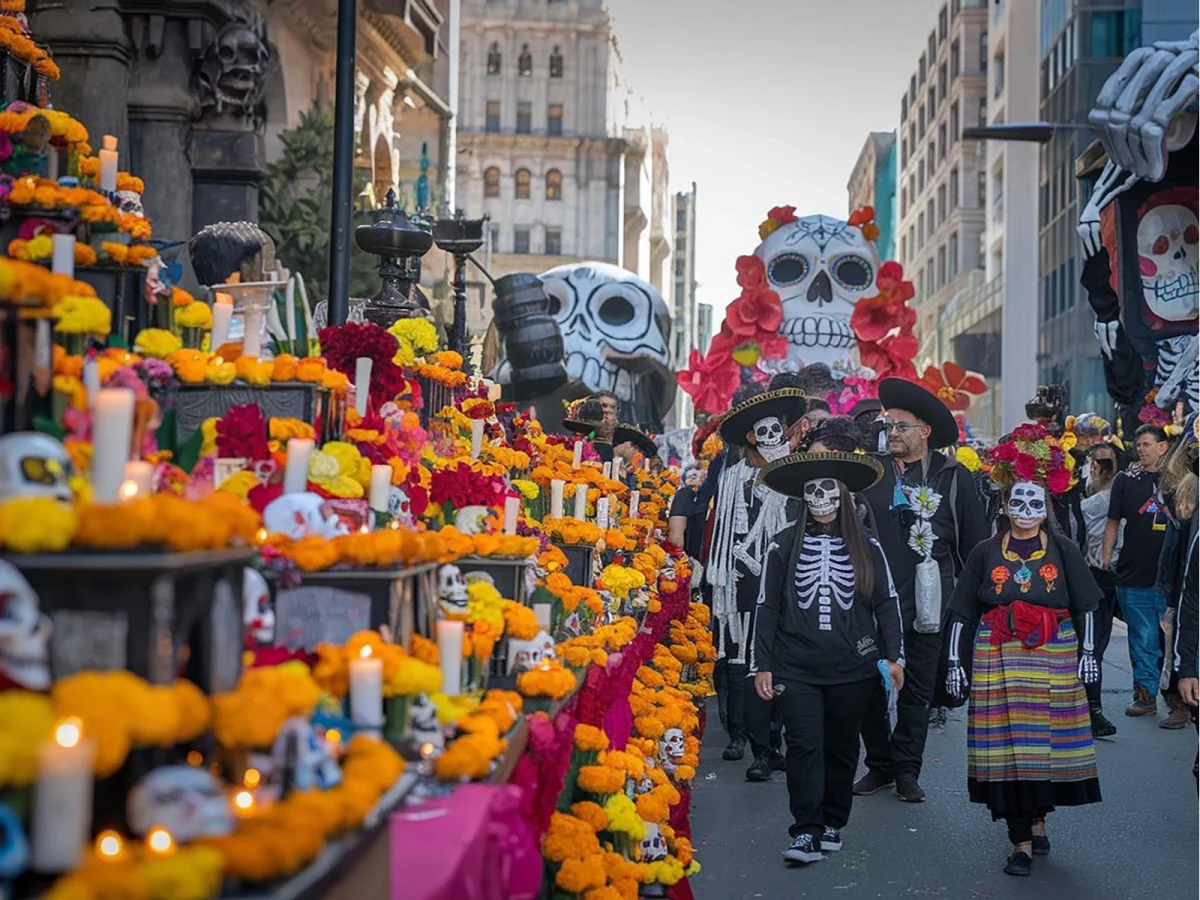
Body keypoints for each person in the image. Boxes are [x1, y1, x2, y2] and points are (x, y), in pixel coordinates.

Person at [941, 426, 1102, 877]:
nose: (1026, 511)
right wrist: (954, 662)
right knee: (1009, 749)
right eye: (1018, 502)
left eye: (1035, 503)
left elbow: (1088, 603)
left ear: (1045, 506)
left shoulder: (1064, 549)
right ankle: (1020, 842)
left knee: (1042, 748)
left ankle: (1038, 817)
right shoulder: (984, 552)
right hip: (998, 655)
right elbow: (962, 612)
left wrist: (1089, 655)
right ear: (1006, 505)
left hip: (1055, 655)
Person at [753, 451, 904, 865]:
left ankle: (833, 820)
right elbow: (766, 605)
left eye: (828, 492)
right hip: (795, 665)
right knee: (802, 745)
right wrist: (762, 664)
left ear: (843, 498)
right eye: (812, 493)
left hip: (852, 666)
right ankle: (804, 831)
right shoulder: (783, 544)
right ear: (803, 499)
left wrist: (895, 658)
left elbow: (886, 603)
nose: (820, 500)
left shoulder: (866, 546)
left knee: (840, 747)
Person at [854, 378, 989, 803]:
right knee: (870, 685)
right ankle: (880, 765)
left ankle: (907, 770)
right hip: (875, 600)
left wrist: (969, 610)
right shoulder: (870, 472)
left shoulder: (953, 476)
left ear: (924, 432)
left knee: (916, 690)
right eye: (888, 425)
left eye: (901, 426)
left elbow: (975, 546)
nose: (891, 433)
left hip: (932, 602)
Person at [710, 386, 807, 775]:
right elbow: (720, 531)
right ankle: (748, 739)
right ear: (750, 437)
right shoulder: (732, 476)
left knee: (778, 657)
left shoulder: (795, 474)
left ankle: (775, 740)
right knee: (740, 656)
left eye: (778, 431)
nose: (773, 439)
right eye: (764, 432)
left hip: (784, 577)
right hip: (741, 579)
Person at [1102, 423, 1171, 717]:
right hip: (1134, 574)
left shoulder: (1180, 480)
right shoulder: (1126, 480)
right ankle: (1145, 695)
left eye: (1146, 444)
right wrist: (1105, 560)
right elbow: (1113, 522)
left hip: (1171, 578)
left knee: (1173, 642)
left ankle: (1180, 703)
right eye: (1138, 444)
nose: (1141, 449)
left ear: (1162, 447)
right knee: (1143, 638)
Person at [1079, 442, 1121, 737]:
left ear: (1094, 467)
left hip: (1095, 575)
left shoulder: (1090, 505)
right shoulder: (1123, 496)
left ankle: (1090, 708)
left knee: (1090, 645)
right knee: (1095, 645)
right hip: (1111, 577)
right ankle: (1090, 708)